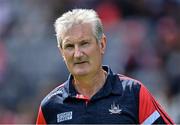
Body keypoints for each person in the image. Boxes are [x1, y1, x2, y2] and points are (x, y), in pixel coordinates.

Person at [36, 9, 174, 124]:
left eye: (84, 43)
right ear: (62, 52)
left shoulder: (133, 93)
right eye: (69, 46)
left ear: (101, 44)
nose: (77, 54)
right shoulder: (50, 106)